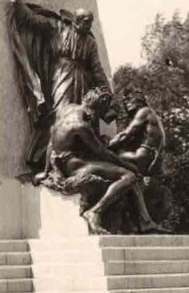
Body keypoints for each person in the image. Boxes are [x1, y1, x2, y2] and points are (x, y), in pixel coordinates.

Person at [8, 0, 112, 170]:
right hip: (62, 76)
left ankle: (83, 158)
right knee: (61, 113)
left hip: (83, 80)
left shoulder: (90, 42)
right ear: (76, 20)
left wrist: (106, 93)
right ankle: (51, 159)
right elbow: (30, 20)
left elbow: (97, 68)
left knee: (86, 117)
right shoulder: (57, 28)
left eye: (90, 22)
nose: (88, 25)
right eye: (85, 21)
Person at [40, 88, 169, 235]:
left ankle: (145, 222)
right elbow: (103, 152)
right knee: (129, 176)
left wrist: (45, 171)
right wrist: (127, 166)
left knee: (125, 172)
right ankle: (95, 212)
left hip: (65, 163)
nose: (99, 119)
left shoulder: (66, 110)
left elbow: (51, 142)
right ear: (97, 108)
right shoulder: (82, 126)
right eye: (101, 113)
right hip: (77, 166)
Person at [109, 93, 166, 177]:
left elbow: (126, 134)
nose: (126, 104)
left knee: (111, 157)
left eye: (129, 100)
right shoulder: (153, 117)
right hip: (152, 157)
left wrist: (108, 145)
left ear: (139, 102)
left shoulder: (144, 111)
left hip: (144, 155)